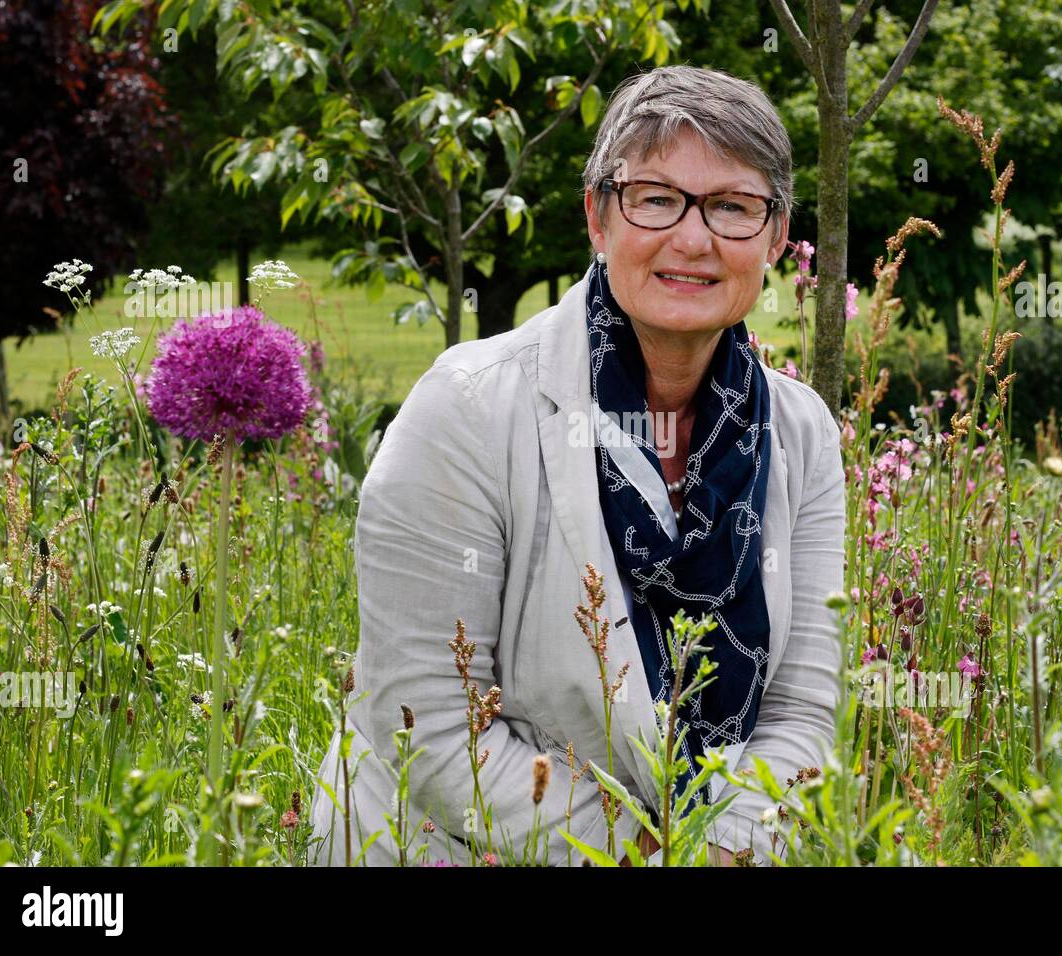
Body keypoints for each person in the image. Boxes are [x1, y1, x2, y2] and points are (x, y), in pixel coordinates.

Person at [309, 64, 846, 867]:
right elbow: (432, 729)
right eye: (655, 199)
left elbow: (800, 714)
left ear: (775, 237)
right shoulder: (465, 407)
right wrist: (645, 853)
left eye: (733, 206)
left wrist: (725, 850)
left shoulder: (803, 433)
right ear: (597, 216)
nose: (693, 238)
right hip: (459, 846)